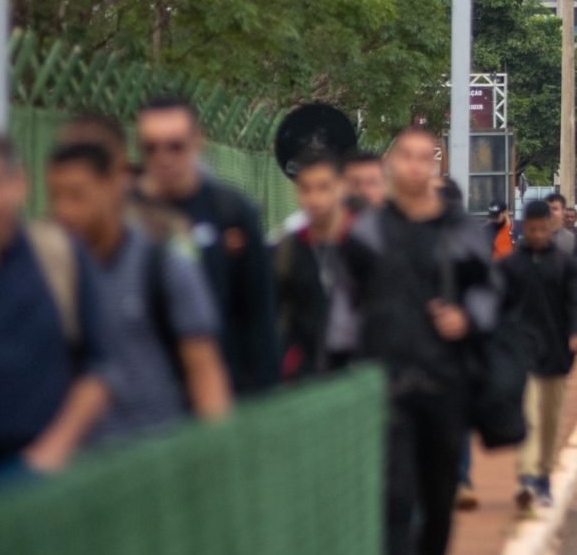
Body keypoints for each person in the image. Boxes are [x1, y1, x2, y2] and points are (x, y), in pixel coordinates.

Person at [341, 126, 498, 555]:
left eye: (422, 157)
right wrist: (339, 367)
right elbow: (346, 303)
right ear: (392, 166)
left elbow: (489, 291)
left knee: (436, 497)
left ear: (433, 165)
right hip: (385, 383)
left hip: (443, 382)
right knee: (396, 494)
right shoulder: (368, 231)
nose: (413, 166)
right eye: (403, 157)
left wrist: (466, 317)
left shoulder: (458, 227)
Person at [45, 142, 230, 442]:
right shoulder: (52, 273)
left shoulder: (163, 267)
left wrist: (217, 452)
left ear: (112, 186)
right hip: (79, 470)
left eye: (77, 195)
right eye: (56, 197)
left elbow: (204, 370)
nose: (64, 211)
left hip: (157, 459)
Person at [0, 133, 109, 486]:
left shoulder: (56, 256)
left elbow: (98, 370)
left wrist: (52, 452)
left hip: (45, 475)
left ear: (18, 184)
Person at [136, 96, 278, 394]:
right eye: (151, 147)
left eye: (175, 146)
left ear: (197, 141)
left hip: (227, 388)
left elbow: (258, 314)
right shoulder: (127, 217)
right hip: (152, 399)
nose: (164, 157)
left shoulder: (231, 212)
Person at [501, 201, 577, 509]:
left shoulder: (566, 264)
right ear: (525, 228)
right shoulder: (510, 266)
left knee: (551, 419)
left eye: (542, 229)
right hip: (522, 354)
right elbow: (499, 307)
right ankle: (527, 476)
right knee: (531, 416)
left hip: (557, 353)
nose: (537, 235)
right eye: (532, 229)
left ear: (549, 227)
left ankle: (544, 477)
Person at [275, 152, 354, 380]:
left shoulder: (364, 245)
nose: (314, 198)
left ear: (341, 187)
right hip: (304, 378)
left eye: (323, 187)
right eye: (306, 189)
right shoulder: (286, 250)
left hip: (360, 377)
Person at [546, 193, 577, 285]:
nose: (551, 212)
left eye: (555, 209)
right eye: (548, 209)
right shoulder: (534, 238)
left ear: (562, 212)